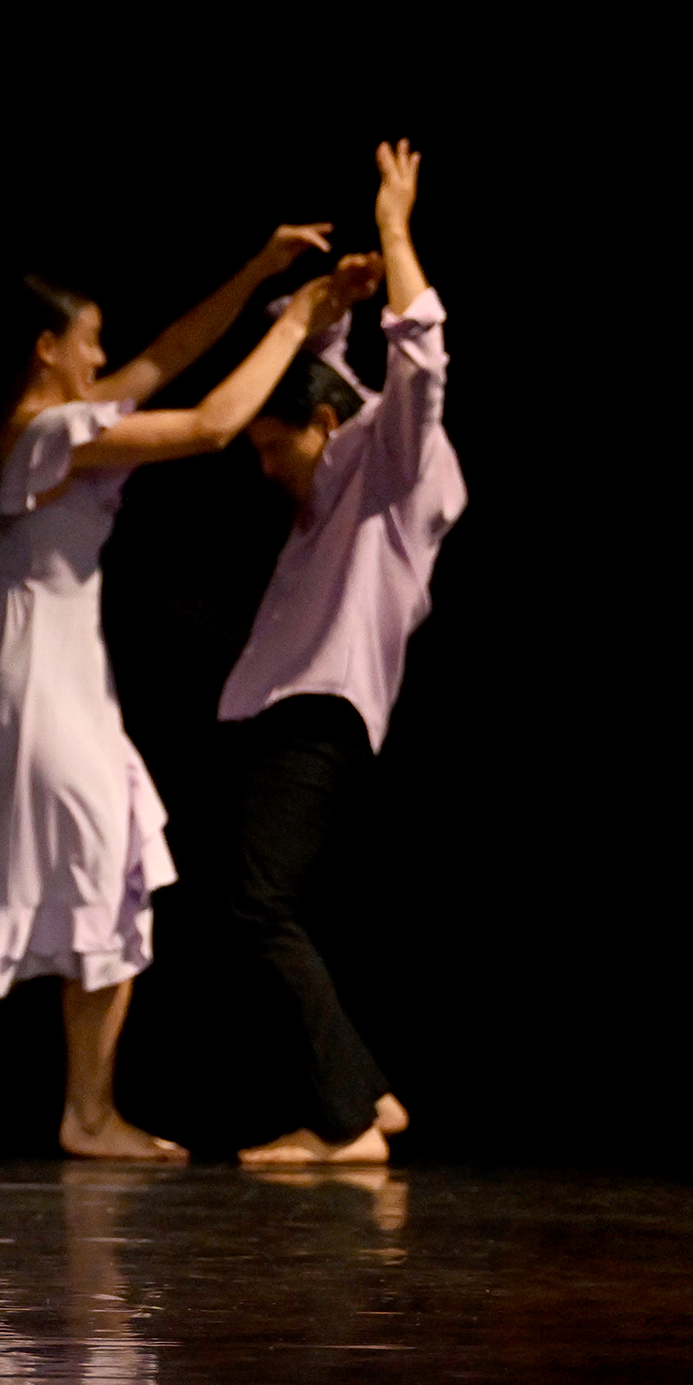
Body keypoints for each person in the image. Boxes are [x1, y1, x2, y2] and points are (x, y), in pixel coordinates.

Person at [0, 229, 379, 1160]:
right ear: (46, 348)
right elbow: (213, 424)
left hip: (64, 663)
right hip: (33, 670)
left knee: (110, 875)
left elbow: (169, 354)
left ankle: (86, 1111)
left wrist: (258, 271)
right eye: (89, 341)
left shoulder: (61, 423)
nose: (104, 356)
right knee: (34, 880)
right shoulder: (49, 432)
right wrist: (298, 318)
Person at [218, 141, 461, 1165]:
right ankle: (366, 1100)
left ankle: (349, 1120)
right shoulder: (340, 454)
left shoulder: (394, 465)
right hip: (286, 703)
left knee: (259, 903)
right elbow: (330, 364)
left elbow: (421, 364)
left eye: (275, 446)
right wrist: (333, 303)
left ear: (322, 425)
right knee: (258, 901)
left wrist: (396, 232)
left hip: (323, 705)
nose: (267, 466)